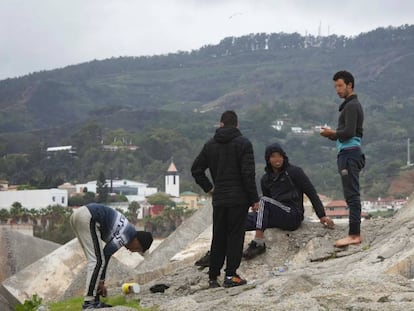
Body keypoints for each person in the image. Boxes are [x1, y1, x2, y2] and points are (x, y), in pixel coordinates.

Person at [191, 110, 259, 289]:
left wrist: (209, 188)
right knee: (235, 236)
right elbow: (248, 174)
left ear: (221, 124)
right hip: (239, 199)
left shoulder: (210, 145)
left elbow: (196, 170)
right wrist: (254, 198)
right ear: (236, 125)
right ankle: (231, 275)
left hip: (220, 198)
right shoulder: (244, 144)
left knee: (218, 236)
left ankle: (213, 277)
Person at [243, 142, 334, 259]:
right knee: (239, 219)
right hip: (277, 215)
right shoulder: (266, 179)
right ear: (268, 159)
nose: (277, 159)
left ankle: (258, 242)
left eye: (279, 156)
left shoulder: (294, 172)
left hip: (292, 214)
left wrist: (322, 215)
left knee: (263, 200)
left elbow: (311, 193)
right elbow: (268, 205)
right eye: (273, 156)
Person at [70, 203, 153, 309]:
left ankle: (94, 299)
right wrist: (101, 281)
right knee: (97, 261)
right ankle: (89, 303)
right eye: (137, 249)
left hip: (78, 215)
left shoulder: (127, 229)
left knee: (94, 261)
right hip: (89, 217)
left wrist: (100, 280)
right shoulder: (127, 234)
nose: (132, 251)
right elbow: (107, 253)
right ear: (138, 241)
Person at [320, 70, 365, 248]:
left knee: (352, 195)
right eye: (335, 87)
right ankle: (354, 233)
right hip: (347, 153)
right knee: (350, 194)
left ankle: (354, 234)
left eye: (340, 86)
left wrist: (333, 133)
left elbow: (348, 133)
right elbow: (344, 134)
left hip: (350, 155)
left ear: (349, 85)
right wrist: (331, 134)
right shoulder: (348, 106)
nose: (337, 90)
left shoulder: (352, 105)